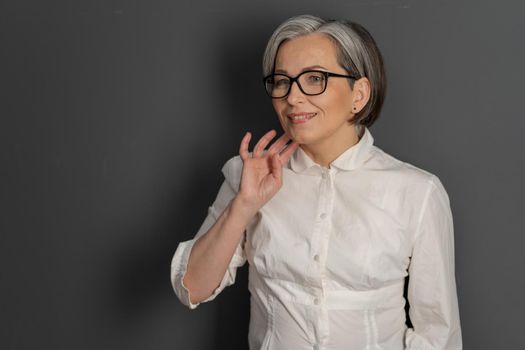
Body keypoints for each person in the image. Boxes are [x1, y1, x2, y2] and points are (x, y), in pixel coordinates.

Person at [171, 14, 462, 350]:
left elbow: (438, 335)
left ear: (359, 93)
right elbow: (190, 287)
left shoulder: (417, 192)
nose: (292, 98)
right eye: (282, 81)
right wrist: (243, 205)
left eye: (314, 79)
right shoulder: (248, 176)